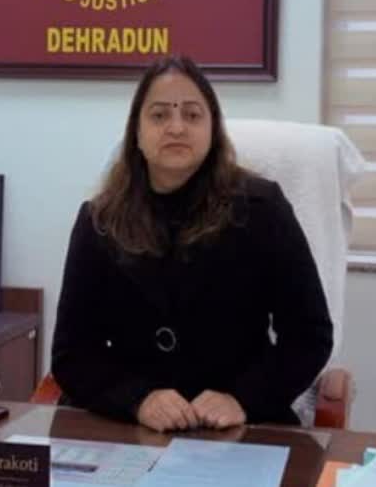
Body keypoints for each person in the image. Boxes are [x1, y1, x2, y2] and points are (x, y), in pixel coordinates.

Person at [50, 55, 333, 432]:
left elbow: (309, 337)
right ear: (136, 133)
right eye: (159, 115)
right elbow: (72, 355)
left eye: (192, 115)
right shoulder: (98, 220)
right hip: (129, 424)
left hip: (237, 424)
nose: (177, 127)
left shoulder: (262, 209)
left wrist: (243, 399)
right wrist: (137, 399)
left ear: (213, 129)